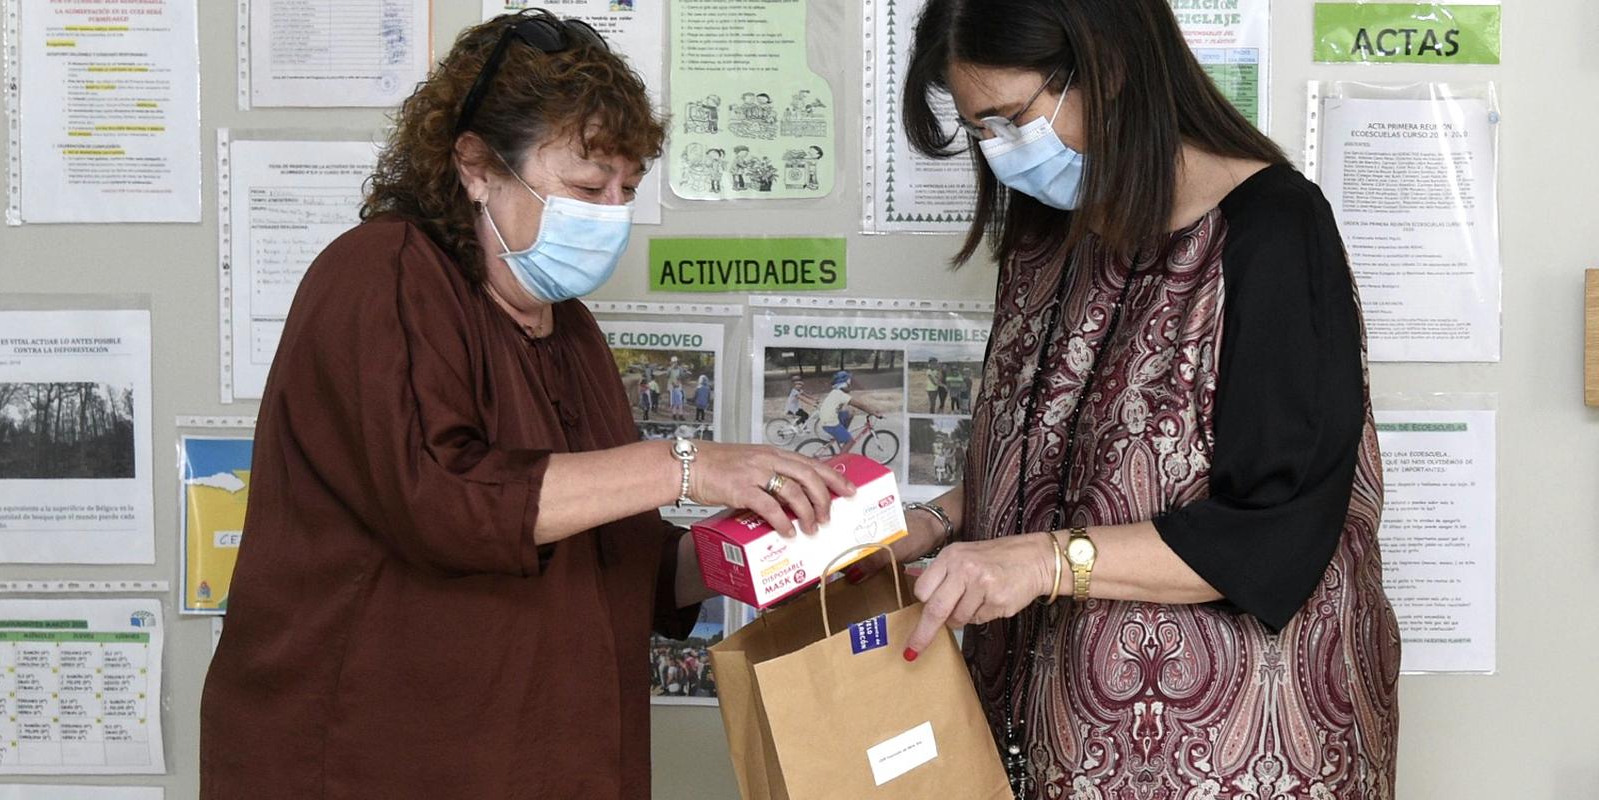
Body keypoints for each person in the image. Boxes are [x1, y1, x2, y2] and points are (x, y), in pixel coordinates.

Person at [199, 11, 853, 799]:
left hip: (546, 759)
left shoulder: (568, 328)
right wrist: (687, 464)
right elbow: (446, 498)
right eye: (587, 186)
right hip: (372, 760)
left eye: (627, 188)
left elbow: (627, 563)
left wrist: (770, 545)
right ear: (476, 166)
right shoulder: (382, 275)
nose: (612, 211)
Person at [873, 1, 1402, 797]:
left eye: (1012, 118)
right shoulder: (1052, 238)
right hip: (1047, 742)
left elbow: (1274, 528)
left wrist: (1044, 560)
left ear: (1109, 67)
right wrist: (931, 524)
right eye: (979, 131)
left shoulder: (1273, 234)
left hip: (1232, 762)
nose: (1002, 153)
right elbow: (1058, 464)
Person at [815, 370, 888, 447]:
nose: (851, 385)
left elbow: (858, 404)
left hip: (826, 420)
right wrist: (874, 413)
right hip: (830, 423)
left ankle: (842, 434)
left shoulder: (835, 392)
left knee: (850, 413)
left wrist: (872, 409)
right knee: (851, 442)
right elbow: (859, 405)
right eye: (849, 383)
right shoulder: (840, 395)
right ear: (844, 384)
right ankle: (841, 458)